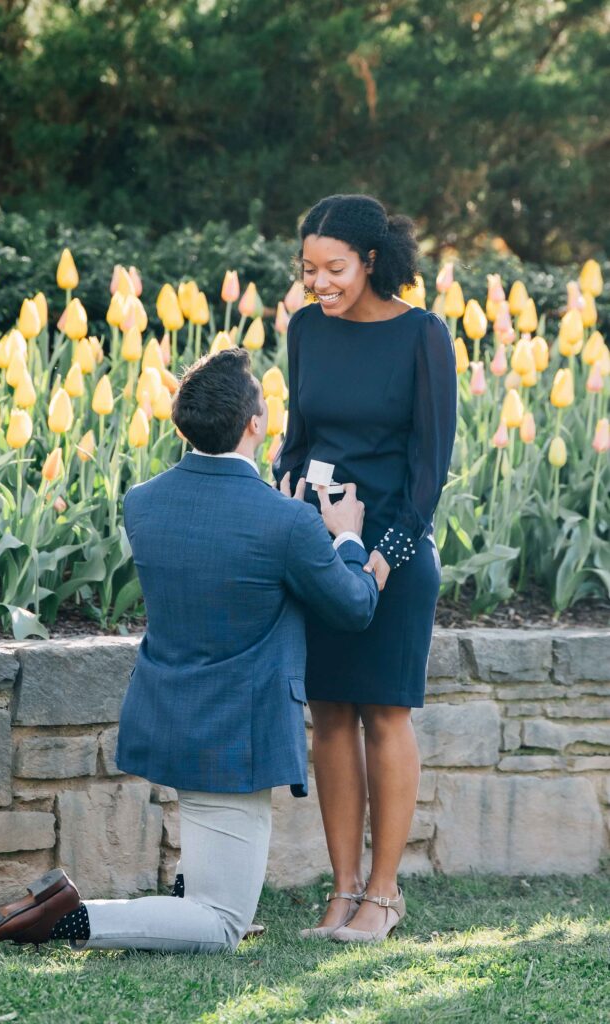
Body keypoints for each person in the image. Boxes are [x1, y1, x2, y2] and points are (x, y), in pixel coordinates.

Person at [0, 347, 379, 958]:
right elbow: (353, 606)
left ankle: (180, 891)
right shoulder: (286, 523)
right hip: (239, 729)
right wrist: (344, 536)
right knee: (223, 924)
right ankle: (65, 920)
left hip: (169, 711)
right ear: (255, 423)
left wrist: (290, 517)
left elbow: (218, 557)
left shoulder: (144, 502)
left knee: (207, 867)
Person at [272, 193, 457, 943]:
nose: (318, 282)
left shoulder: (423, 335)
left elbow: (428, 476)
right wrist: (289, 501)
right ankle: (340, 889)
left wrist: (379, 562)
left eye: (333, 268)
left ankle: (382, 894)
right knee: (329, 716)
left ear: (370, 260)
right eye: (308, 268)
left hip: (393, 548)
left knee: (383, 711)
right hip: (317, 547)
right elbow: (295, 436)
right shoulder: (305, 329)